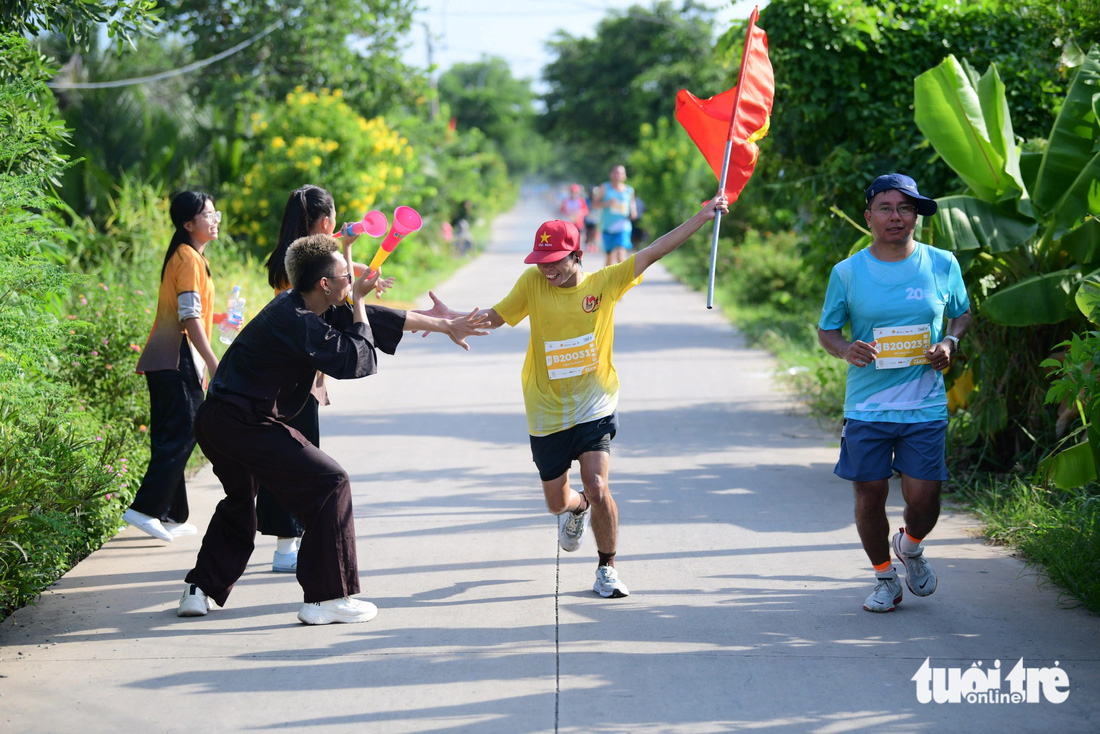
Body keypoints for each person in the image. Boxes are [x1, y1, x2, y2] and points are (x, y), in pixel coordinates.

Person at [423, 193, 729, 598]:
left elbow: (655, 250)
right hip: (546, 407)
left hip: (594, 402)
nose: (546, 270)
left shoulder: (606, 282)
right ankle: (576, 509)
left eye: (554, 262)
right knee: (556, 502)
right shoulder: (532, 283)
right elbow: (497, 316)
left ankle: (607, 567)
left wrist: (702, 217)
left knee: (598, 484)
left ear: (576, 254)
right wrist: (449, 319)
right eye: (541, 262)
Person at [177, 233, 488, 624]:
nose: (353, 279)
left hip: (218, 422)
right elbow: (356, 359)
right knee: (330, 482)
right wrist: (357, 299)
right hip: (245, 423)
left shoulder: (307, 304)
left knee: (241, 502)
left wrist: (445, 325)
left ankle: (199, 588)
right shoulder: (296, 320)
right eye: (346, 275)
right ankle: (326, 598)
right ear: (325, 283)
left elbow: (378, 319)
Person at [817, 173, 971, 613]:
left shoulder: (942, 263)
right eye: (885, 208)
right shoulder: (846, 273)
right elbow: (827, 330)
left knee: (925, 500)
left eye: (905, 208)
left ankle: (911, 545)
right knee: (869, 495)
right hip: (867, 406)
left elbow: (961, 315)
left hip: (924, 405)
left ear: (916, 216)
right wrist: (847, 349)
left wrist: (950, 342)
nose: (896, 217)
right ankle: (885, 577)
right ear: (869, 217)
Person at [256, 185, 394, 574]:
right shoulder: (310, 261)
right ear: (327, 221)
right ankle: (287, 547)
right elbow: (342, 301)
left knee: (284, 458)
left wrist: (352, 264)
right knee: (299, 458)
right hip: (297, 374)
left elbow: (343, 292)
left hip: (285, 370)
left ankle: (288, 542)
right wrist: (348, 256)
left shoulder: (288, 257)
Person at [124, 192, 226, 542]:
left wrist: (221, 320)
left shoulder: (191, 256)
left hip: (171, 356)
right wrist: (213, 361)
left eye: (216, 214)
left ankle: (171, 514)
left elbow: (190, 310)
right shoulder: (187, 258)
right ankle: (144, 509)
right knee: (185, 429)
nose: (214, 220)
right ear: (188, 224)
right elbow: (187, 316)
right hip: (174, 356)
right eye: (207, 215)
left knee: (173, 433)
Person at [591, 164, 637, 266]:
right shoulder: (605, 187)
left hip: (623, 226)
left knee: (621, 257)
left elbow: (632, 205)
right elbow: (594, 204)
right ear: (611, 174)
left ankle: (623, 281)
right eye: (616, 172)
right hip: (608, 227)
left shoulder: (629, 190)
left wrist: (633, 212)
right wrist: (607, 203)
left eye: (621, 173)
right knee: (609, 259)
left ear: (624, 175)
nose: (618, 175)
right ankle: (609, 281)